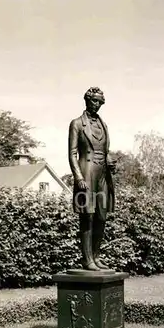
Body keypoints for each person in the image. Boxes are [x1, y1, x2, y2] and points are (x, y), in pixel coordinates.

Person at [68, 87, 116, 271]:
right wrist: (78, 176)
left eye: (100, 102)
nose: (97, 105)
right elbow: (72, 153)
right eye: (94, 101)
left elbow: (105, 150)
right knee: (87, 216)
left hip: (103, 175)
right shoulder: (77, 124)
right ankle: (87, 259)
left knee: (101, 216)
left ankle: (96, 256)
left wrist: (109, 160)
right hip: (86, 174)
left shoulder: (104, 125)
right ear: (87, 100)